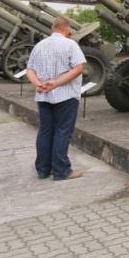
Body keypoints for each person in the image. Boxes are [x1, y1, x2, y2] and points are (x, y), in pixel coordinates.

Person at [26, 16, 86, 181]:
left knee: (45, 131)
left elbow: (29, 69)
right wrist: (56, 83)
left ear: (53, 28)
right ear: (67, 29)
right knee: (62, 131)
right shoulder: (70, 44)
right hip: (66, 95)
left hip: (43, 95)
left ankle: (43, 169)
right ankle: (61, 170)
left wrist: (38, 84)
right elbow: (79, 67)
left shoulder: (39, 45)